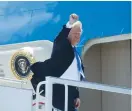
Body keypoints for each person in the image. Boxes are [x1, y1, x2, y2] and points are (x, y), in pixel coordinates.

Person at [30, 13, 85, 111]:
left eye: (79, 33)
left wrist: (77, 96)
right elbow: (59, 40)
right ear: (69, 34)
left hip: (70, 93)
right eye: (75, 33)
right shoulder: (64, 48)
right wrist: (69, 25)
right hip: (59, 90)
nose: (77, 36)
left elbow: (75, 76)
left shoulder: (77, 56)